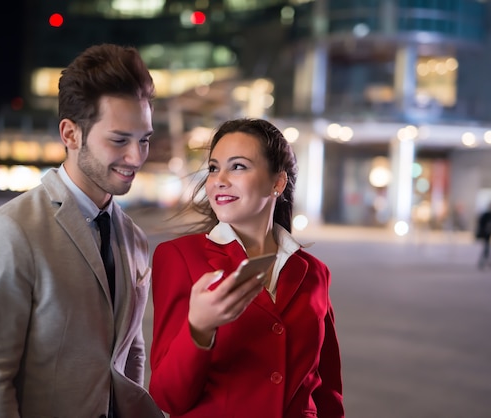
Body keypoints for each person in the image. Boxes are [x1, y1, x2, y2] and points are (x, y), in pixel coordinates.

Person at [0, 44, 164, 417]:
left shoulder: (132, 237)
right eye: (119, 140)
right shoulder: (9, 233)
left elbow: (130, 352)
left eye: (143, 140)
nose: (136, 157)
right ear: (71, 134)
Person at [148, 118, 345, 417]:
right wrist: (199, 329)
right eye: (214, 168)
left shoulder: (314, 272)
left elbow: (327, 390)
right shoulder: (179, 258)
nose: (219, 180)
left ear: (277, 183)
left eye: (237, 166)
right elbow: (167, 398)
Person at [475, 201, 491, 270]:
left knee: (487, 249)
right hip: (486, 235)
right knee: (486, 249)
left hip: (489, 235)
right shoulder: (487, 214)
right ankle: (483, 262)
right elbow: (481, 224)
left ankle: (485, 262)